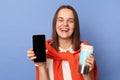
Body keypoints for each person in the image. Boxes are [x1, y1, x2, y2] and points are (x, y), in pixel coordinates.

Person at [27, 5, 98, 80]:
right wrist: (41, 65)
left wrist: (88, 73)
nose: (65, 24)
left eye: (70, 21)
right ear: (55, 24)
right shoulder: (45, 51)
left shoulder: (84, 52)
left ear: (75, 26)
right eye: (61, 20)